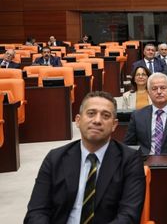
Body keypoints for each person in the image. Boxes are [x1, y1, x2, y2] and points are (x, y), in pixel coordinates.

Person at [25, 91, 146, 223]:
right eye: (91, 113)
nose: (97, 120)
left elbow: (128, 216)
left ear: (114, 125)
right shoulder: (55, 158)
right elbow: (36, 211)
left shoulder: (129, 160)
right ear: (78, 120)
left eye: (105, 116)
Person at [124, 73, 167, 155]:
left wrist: (165, 158)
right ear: (148, 92)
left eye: (163, 88)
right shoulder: (137, 116)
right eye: (154, 89)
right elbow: (128, 145)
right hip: (144, 163)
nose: (159, 92)